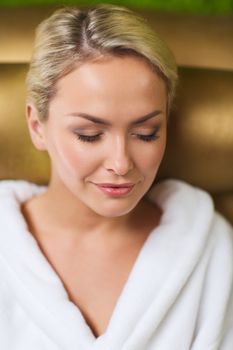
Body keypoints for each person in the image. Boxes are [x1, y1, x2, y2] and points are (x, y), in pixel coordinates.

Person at [0, 4, 232, 349]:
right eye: (89, 135)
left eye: (147, 133)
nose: (121, 163)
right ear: (37, 127)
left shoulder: (210, 250)